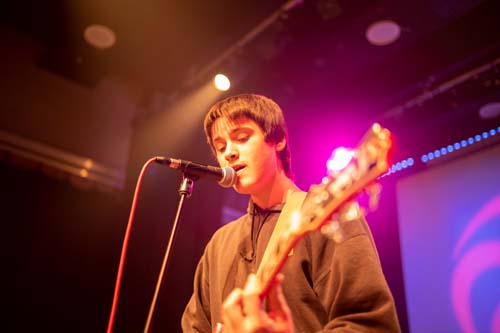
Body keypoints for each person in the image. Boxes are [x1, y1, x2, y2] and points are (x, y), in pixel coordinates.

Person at [181, 94, 400, 332]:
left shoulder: (326, 215)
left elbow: (371, 324)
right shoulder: (218, 244)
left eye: (242, 138)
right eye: (220, 146)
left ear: (278, 140)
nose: (228, 153)